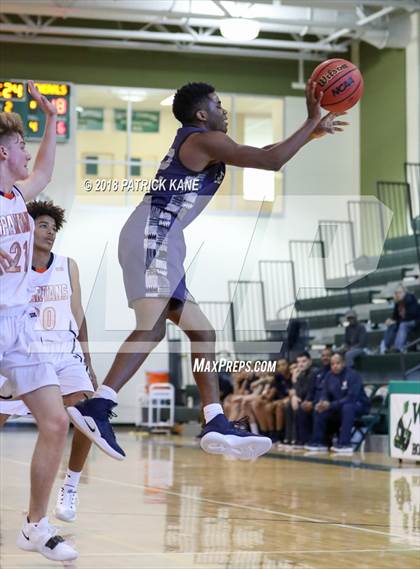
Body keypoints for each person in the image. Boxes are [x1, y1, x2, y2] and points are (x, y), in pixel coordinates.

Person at [67, 80, 348, 461]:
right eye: (217, 103)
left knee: (202, 331)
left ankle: (214, 418)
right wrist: (310, 120)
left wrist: (310, 133)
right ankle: (98, 406)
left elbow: (263, 152)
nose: (223, 109)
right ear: (202, 114)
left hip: (163, 236)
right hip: (155, 232)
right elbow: (271, 161)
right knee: (152, 326)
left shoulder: (210, 145)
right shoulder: (201, 139)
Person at [0, 87, 78, 561]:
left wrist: (51, 118)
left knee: (54, 421)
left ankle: (36, 525)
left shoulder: (16, 195)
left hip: (18, 327)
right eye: (22, 144)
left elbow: (46, 170)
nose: (29, 152)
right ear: (3, 152)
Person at [0, 199, 96, 523]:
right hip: (23, 352)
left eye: (54, 229)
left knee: (89, 415)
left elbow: (80, 317)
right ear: (28, 228)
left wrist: (88, 361)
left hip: (63, 353)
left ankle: (69, 485)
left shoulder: (68, 265)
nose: (50, 233)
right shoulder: (12, 267)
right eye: (43, 225)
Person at [306, 353, 370, 455]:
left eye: (337, 363)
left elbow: (351, 397)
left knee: (347, 407)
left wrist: (331, 405)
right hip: (338, 406)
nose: (335, 366)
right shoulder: (329, 376)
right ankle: (319, 442)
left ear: (343, 363)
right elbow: (324, 393)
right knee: (319, 409)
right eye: (332, 364)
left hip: (358, 405)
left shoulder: (353, 375)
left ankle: (345, 444)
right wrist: (323, 402)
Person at [283, 352, 317, 449]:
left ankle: (301, 439)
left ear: (310, 361)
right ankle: (290, 438)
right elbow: (296, 391)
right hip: (303, 399)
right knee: (288, 405)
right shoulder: (301, 374)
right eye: (299, 362)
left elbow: (308, 392)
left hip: (313, 401)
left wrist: (296, 396)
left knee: (298, 406)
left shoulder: (313, 373)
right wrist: (294, 396)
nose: (301, 364)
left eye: (304, 361)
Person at [380, 285, 420, 353]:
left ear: (404, 292)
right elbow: (395, 316)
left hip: (415, 321)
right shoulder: (398, 302)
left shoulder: (410, 299)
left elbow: (410, 316)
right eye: (396, 293)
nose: (397, 294)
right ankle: (386, 347)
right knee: (390, 325)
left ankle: (398, 348)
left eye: (399, 292)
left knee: (403, 325)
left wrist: (396, 321)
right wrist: (390, 320)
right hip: (403, 321)